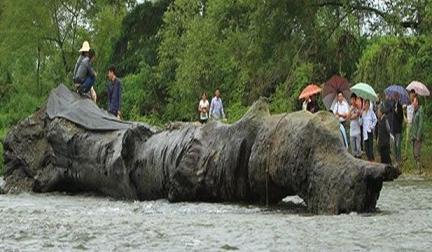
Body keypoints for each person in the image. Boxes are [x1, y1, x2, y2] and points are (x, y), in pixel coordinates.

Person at [410, 96, 424, 174]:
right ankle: (418, 168)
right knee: (414, 153)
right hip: (414, 136)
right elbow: (413, 124)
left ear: (417, 102)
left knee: (417, 152)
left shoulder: (420, 111)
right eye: (412, 102)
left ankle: (419, 169)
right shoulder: (415, 111)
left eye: (414, 102)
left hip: (418, 136)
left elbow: (420, 124)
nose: (413, 103)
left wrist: (418, 135)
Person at [391, 93, 404, 166]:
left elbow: (401, 118)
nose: (395, 97)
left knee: (398, 145)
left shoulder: (400, 106)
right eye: (394, 96)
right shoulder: (393, 105)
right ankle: (395, 160)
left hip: (398, 129)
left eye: (396, 96)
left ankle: (399, 160)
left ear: (398, 97)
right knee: (394, 146)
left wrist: (397, 112)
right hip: (394, 129)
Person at [349, 94, 362, 158]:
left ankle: (359, 157)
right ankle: (354, 157)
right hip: (352, 130)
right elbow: (348, 118)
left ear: (355, 100)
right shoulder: (350, 108)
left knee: (358, 146)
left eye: (354, 99)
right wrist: (351, 111)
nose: (352, 101)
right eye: (351, 99)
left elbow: (357, 115)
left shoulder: (358, 107)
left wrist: (353, 116)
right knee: (353, 147)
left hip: (357, 130)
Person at [404, 91, 416, 158]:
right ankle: (406, 154)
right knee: (407, 139)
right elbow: (404, 113)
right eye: (411, 95)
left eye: (413, 95)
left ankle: (412, 154)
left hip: (413, 124)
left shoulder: (415, 103)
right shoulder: (407, 103)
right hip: (408, 123)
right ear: (409, 95)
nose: (412, 96)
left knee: (412, 139)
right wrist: (405, 118)